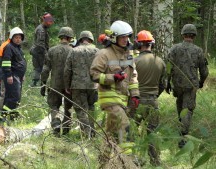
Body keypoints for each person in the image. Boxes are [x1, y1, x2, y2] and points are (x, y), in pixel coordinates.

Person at [89, 20, 140, 167]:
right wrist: (112, 78)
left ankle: (102, 163)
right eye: (122, 37)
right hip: (109, 99)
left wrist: (135, 94)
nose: (126, 39)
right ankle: (129, 162)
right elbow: (94, 74)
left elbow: (133, 76)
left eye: (127, 36)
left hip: (123, 100)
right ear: (114, 38)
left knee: (110, 135)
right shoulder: (104, 54)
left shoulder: (129, 54)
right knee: (125, 126)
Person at [166, 24, 209, 148]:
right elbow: (204, 71)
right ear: (194, 36)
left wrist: (167, 82)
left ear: (183, 35)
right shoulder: (198, 50)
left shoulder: (174, 49)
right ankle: (183, 137)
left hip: (178, 84)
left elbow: (169, 68)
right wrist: (201, 82)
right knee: (188, 109)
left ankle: (181, 128)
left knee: (180, 107)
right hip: (191, 85)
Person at [133, 30, 166, 166]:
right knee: (152, 132)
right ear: (152, 44)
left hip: (137, 101)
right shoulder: (160, 61)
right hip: (153, 101)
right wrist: (155, 95)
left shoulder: (134, 61)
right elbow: (163, 84)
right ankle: (155, 161)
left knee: (132, 131)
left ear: (139, 44)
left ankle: (133, 160)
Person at [64, 31, 99, 138]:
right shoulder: (98, 51)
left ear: (80, 39)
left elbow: (67, 70)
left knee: (80, 109)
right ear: (91, 39)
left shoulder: (74, 51)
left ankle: (86, 133)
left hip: (77, 85)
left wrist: (66, 85)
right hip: (94, 85)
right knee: (91, 107)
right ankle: (92, 132)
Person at [40, 27, 74, 135]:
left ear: (60, 37)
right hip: (69, 84)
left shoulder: (52, 50)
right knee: (68, 106)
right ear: (70, 38)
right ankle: (66, 129)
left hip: (55, 83)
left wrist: (43, 83)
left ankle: (55, 123)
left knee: (54, 105)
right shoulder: (73, 51)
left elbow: (45, 69)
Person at [0, 27, 27, 122]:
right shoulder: (9, 47)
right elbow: (6, 62)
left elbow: (21, 62)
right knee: (14, 97)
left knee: (13, 97)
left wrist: (23, 75)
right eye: (16, 37)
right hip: (12, 76)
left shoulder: (18, 48)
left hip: (18, 76)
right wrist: (9, 75)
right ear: (12, 38)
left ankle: (13, 116)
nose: (18, 39)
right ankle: (3, 116)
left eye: (20, 37)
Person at [30, 12, 54, 87]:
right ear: (44, 20)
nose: (50, 23)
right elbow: (41, 44)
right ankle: (37, 84)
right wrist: (46, 54)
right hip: (39, 51)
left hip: (39, 51)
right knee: (41, 68)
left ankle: (37, 83)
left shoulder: (43, 28)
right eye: (49, 22)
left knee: (39, 68)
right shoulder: (41, 30)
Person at [0, 38, 11, 111]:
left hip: (12, 74)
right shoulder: (5, 45)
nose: (18, 39)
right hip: (5, 73)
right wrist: (0, 76)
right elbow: (1, 63)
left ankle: (10, 112)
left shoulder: (16, 46)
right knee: (4, 93)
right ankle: (1, 110)